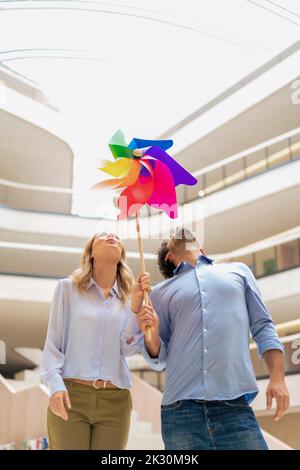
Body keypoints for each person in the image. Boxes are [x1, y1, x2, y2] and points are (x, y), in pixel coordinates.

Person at [137, 227, 290, 450]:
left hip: (234, 406)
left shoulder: (239, 271)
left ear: (201, 248)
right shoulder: (159, 293)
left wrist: (277, 378)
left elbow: (263, 326)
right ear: (169, 255)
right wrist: (150, 336)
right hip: (180, 411)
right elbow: (158, 359)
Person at [41, 231, 150, 450]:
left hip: (115, 401)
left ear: (121, 256)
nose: (112, 236)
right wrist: (54, 386)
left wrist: (136, 305)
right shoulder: (67, 289)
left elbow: (127, 349)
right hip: (72, 396)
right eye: (103, 235)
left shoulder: (129, 298)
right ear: (90, 253)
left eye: (117, 237)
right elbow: (53, 345)